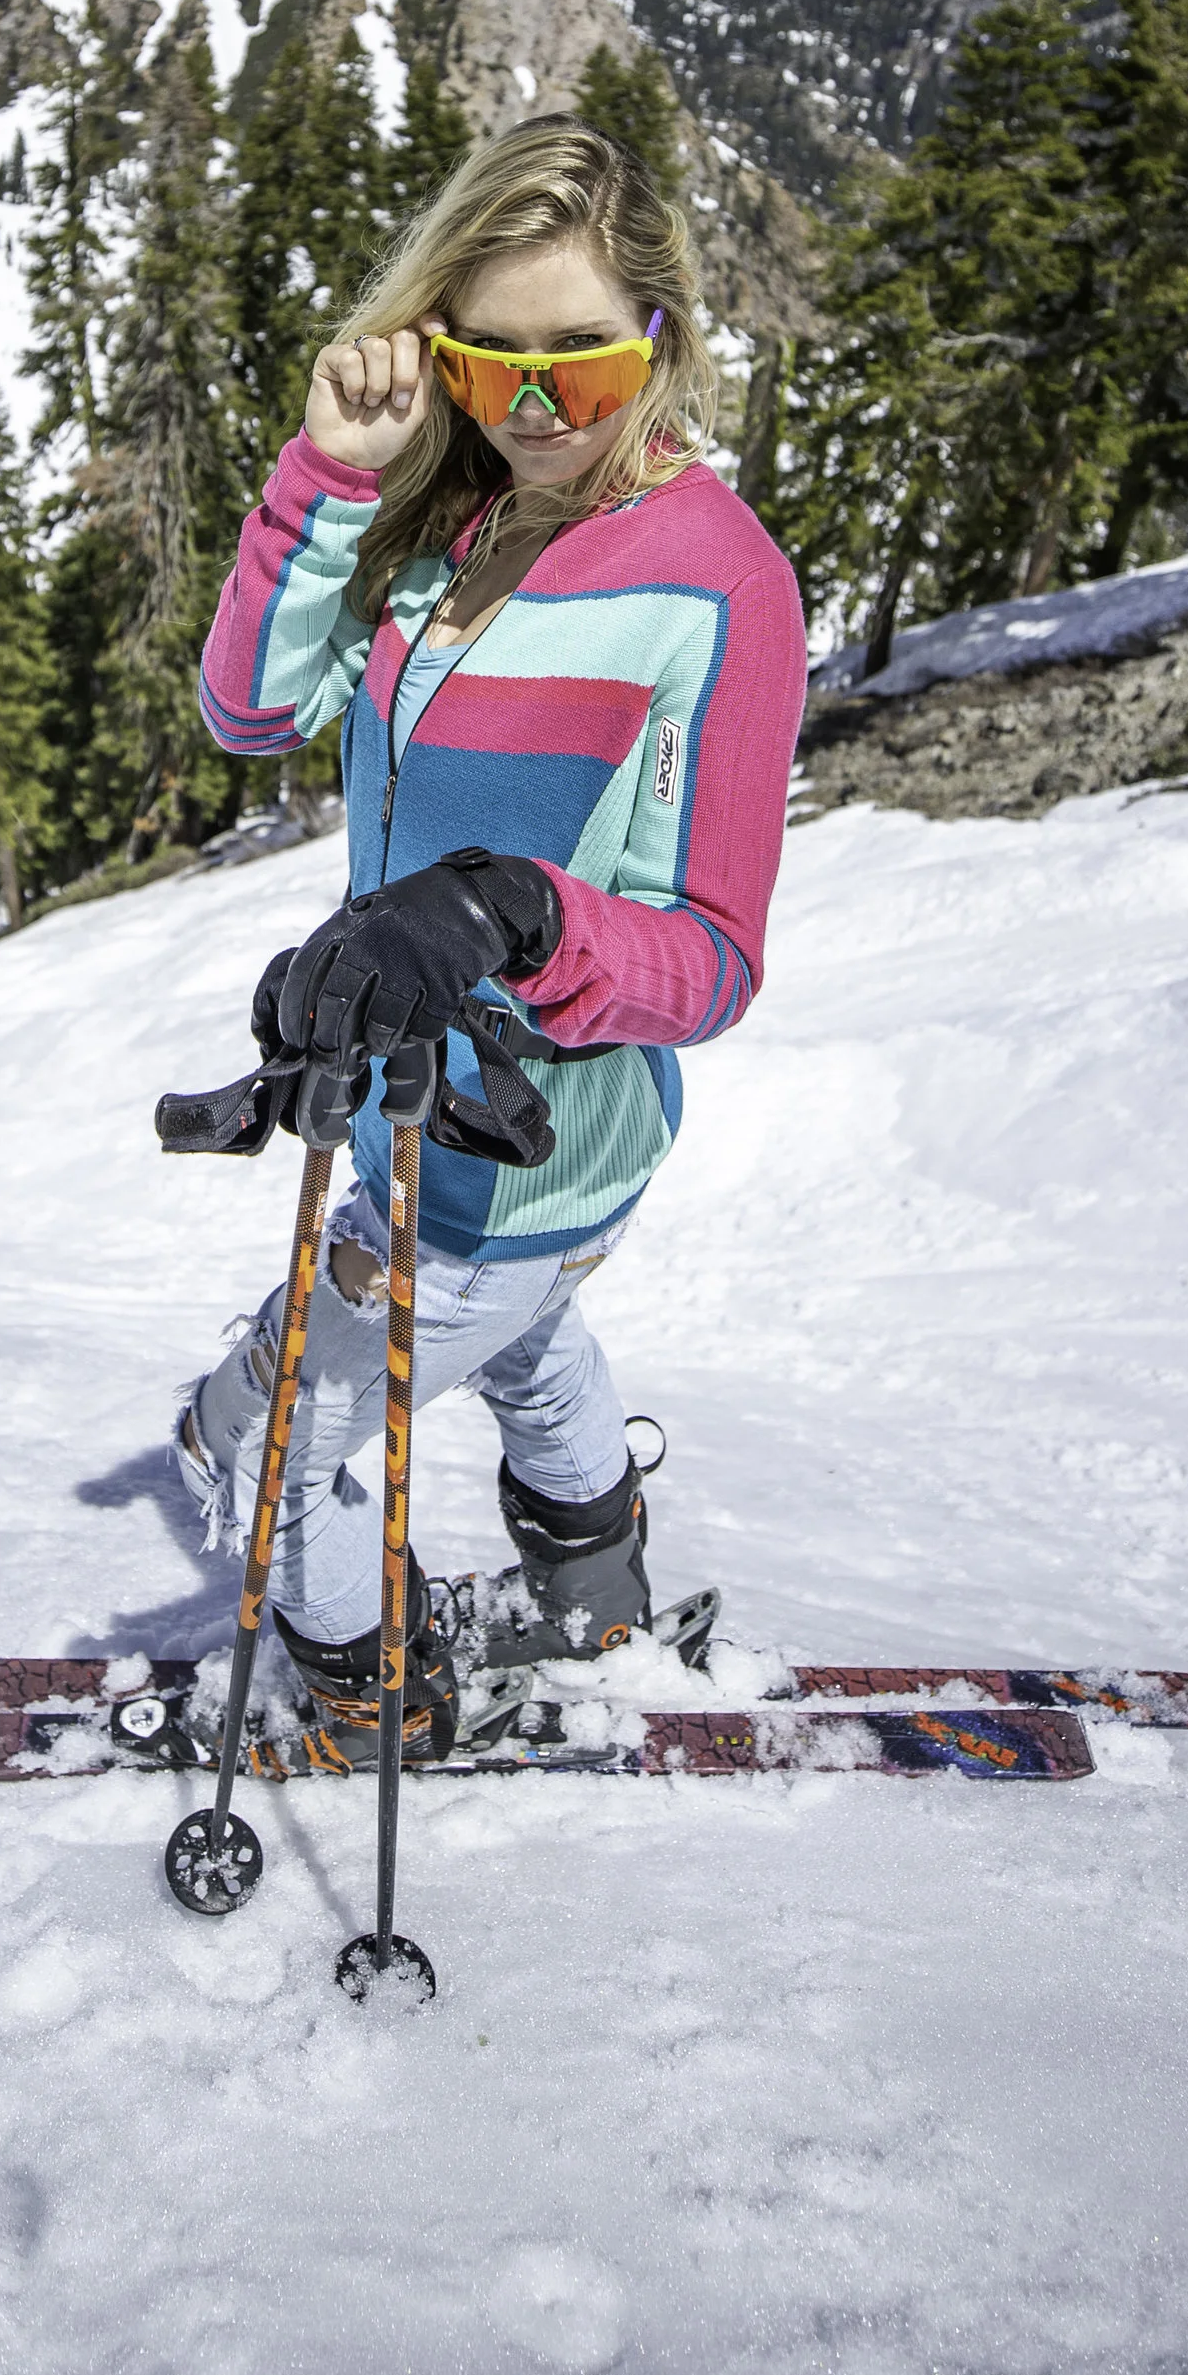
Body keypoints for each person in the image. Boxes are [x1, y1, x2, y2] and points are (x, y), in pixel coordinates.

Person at [175, 112, 806, 1760]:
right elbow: (248, 709)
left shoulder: (717, 582)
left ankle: (361, 1687)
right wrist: (327, 474)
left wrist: (514, 914)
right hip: (404, 1112)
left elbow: (715, 957)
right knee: (528, 1338)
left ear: (661, 341)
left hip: (534, 1138)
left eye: (580, 368)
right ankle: (595, 1590)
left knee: (273, 1433)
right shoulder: (442, 526)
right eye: (490, 361)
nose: (534, 412)